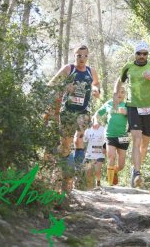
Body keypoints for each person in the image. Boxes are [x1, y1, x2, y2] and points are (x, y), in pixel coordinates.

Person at [48, 44, 100, 194]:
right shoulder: (68, 69)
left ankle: (78, 175)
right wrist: (64, 88)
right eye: (79, 55)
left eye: (85, 56)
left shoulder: (91, 71)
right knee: (65, 144)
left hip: (83, 111)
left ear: (88, 57)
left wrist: (97, 90)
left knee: (80, 139)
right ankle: (65, 179)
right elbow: (52, 84)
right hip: (68, 112)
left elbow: (96, 83)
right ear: (74, 55)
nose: (82, 59)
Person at [113, 41, 150, 188]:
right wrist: (116, 97)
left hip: (149, 107)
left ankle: (135, 169)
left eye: (144, 53)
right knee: (137, 140)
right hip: (133, 106)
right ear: (135, 54)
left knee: (144, 145)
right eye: (139, 53)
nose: (141, 56)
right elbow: (119, 81)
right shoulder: (128, 67)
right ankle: (138, 173)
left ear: (147, 55)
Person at [93, 86, 129, 186]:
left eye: (122, 92)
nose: (120, 94)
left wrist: (127, 113)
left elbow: (135, 120)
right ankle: (110, 184)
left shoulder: (127, 105)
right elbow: (97, 113)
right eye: (118, 92)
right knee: (111, 157)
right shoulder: (109, 103)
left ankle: (115, 171)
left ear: (125, 94)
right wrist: (96, 121)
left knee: (121, 165)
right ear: (114, 94)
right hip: (110, 135)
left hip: (123, 137)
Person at [82, 124, 106, 189]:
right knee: (88, 172)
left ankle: (98, 182)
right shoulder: (88, 130)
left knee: (97, 170)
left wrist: (105, 148)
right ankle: (89, 187)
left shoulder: (103, 129)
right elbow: (84, 141)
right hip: (89, 154)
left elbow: (107, 140)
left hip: (100, 154)